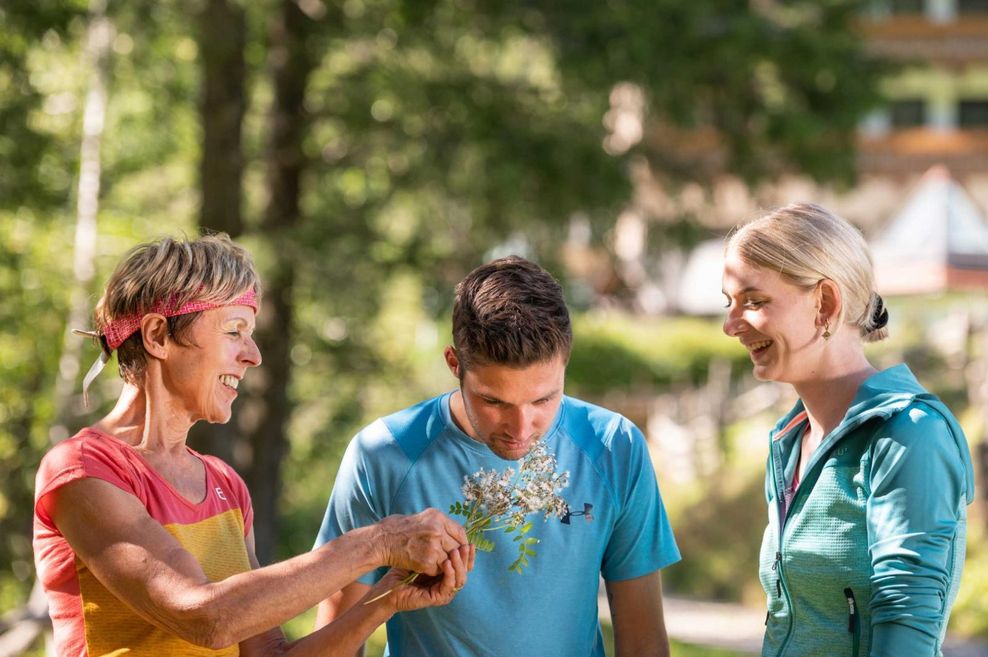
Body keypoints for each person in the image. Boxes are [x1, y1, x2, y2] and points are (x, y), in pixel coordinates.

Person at [33, 234, 474, 657]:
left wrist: (384, 598)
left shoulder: (226, 485)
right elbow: (204, 616)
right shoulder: (83, 470)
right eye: (234, 331)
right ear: (157, 336)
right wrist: (377, 543)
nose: (253, 355)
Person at [314, 256, 680, 657]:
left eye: (543, 399)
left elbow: (644, 643)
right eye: (493, 401)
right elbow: (336, 639)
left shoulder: (614, 447)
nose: (521, 429)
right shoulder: (382, 455)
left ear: (565, 363)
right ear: (455, 364)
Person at [721, 202, 975, 657]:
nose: (731, 325)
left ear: (826, 303)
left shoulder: (909, 435)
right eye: (730, 303)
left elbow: (907, 627)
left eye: (754, 301)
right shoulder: (789, 439)